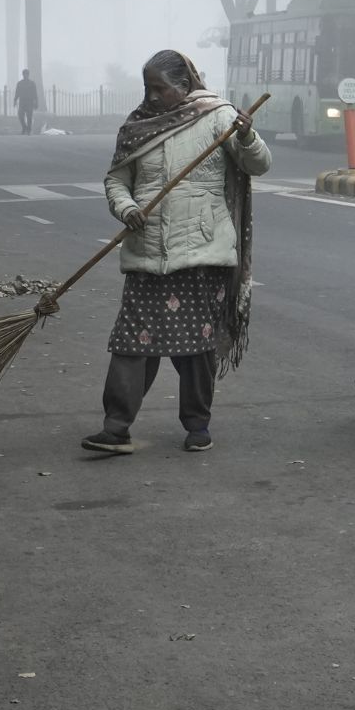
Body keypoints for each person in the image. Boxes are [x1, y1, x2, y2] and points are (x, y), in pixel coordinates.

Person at [81, 50, 272, 455]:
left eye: (159, 89)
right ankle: (116, 428)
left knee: (196, 348)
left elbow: (259, 164)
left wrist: (245, 135)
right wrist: (127, 208)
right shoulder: (136, 127)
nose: (151, 97)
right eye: (147, 88)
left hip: (201, 252)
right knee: (132, 343)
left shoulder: (218, 117)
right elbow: (116, 180)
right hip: (146, 252)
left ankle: (197, 426)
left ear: (184, 87)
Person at [14, 69, 39, 135]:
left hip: (29, 102)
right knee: (20, 115)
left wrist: (36, 102)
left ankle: (29, 130)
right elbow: (17, 93)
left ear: (28, 75)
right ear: (23, 75)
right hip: (22, 102)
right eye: (24, 74)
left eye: (26, 74)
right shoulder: (20, 83)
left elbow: (35, 94)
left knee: (29, 117)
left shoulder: (32, 83)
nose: (25, 75)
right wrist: (15, 100)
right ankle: (24, 127)